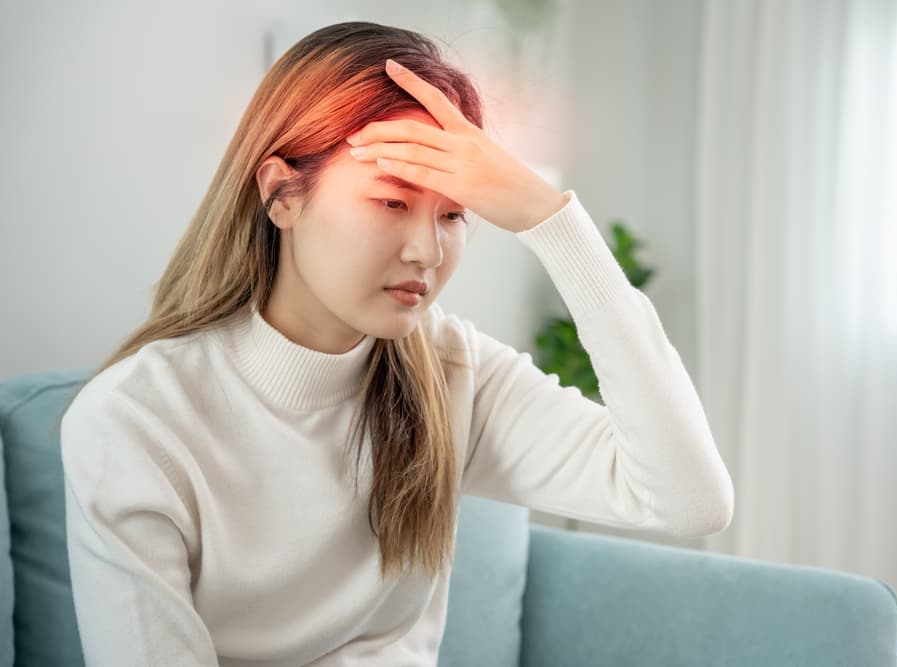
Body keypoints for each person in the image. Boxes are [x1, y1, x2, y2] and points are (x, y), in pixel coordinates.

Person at [57, 20, 734, 667]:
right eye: (391, 202)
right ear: (281, 195)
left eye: (453, 213)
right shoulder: (135, 422)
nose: (426, 250)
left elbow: (690, 500)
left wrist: (548, 220)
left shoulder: (450, 371)